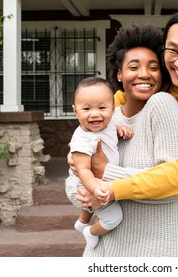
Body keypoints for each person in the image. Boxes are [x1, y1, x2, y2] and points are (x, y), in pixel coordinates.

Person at [76, 7, 178, 257]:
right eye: (172, 51)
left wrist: (108, 182)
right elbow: (94, 129)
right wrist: (79, 156)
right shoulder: (146, 87)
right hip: (143, 213)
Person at [77, 23, 178, 256]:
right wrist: (91, 198)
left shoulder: (162, 105)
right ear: (119, 74)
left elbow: (177, 187)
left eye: (153, 67)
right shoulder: (107, 118)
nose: (144, 74)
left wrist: (105, 172)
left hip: (156, 251)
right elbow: (76, 181)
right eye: (133, 67)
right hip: (103, 251)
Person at [65, 76, 133, 250]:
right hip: (83, 186)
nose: (95, 114)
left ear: (112, 108)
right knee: (113, 218)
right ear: (75, 111)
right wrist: (95, 189)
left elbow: (111, 129)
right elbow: (84, 171)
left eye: (102, 108)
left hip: (92, 181)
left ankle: (82, 222)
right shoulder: (82, 141)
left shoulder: (107, 124)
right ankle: (91, 232)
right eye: (86, 108)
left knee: (93, 207)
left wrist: (119, 129)